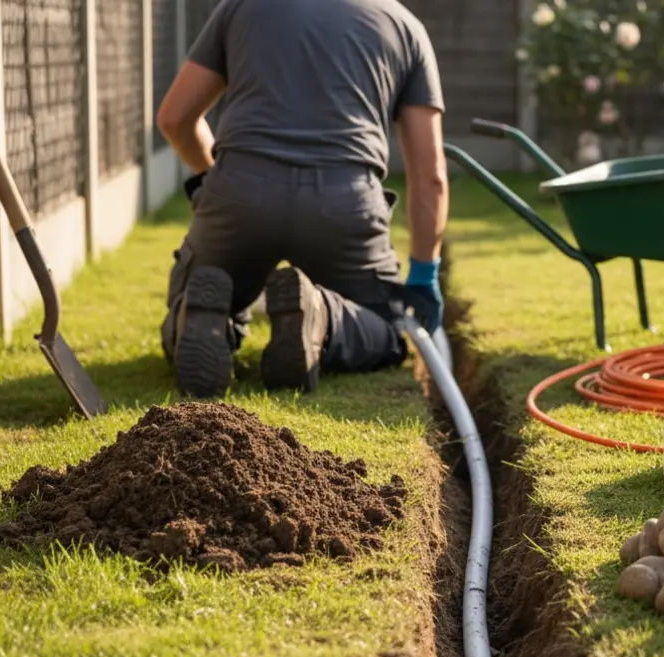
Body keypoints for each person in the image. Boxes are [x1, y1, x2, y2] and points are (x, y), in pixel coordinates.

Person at [154, 0, 449, 398]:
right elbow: (429, 175)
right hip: (343, 205)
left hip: (240, 190)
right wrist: (424, 271)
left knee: (200, 292)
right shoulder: (405, 26)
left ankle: (201, 318)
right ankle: (323, 317)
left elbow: (174, 118)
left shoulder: (241, 7)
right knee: (384, 328)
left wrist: (215, 178)